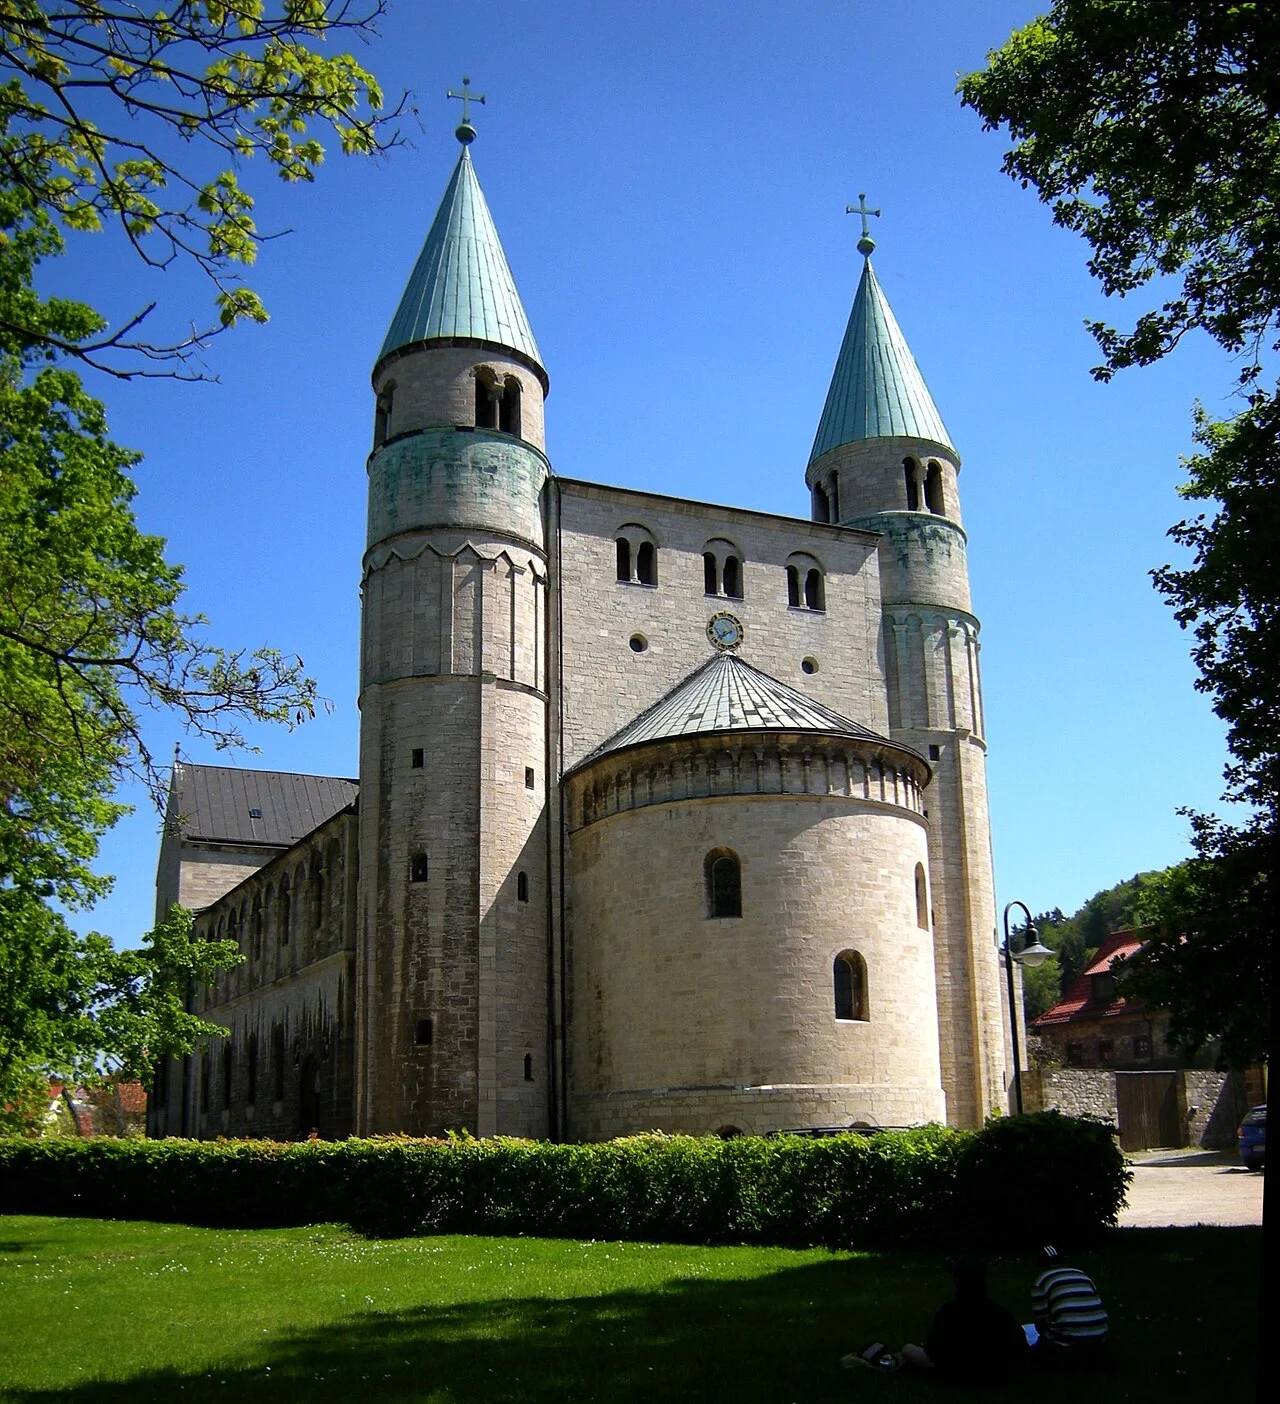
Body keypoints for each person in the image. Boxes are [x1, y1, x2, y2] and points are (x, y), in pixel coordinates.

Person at [845, 1257, 1026, 1382]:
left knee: (908, 1349)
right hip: (995, 1372)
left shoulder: (949, 1312)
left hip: (957, 1372)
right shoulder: (1000, 1313)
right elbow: (1018, 1346)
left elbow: (934, 1351)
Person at [1030, 1245, 1108, 1367]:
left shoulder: (1041, 1281)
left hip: (1068, 1342)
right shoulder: (1082, 1274)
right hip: (1099, 1337)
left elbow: (1041, 1322)